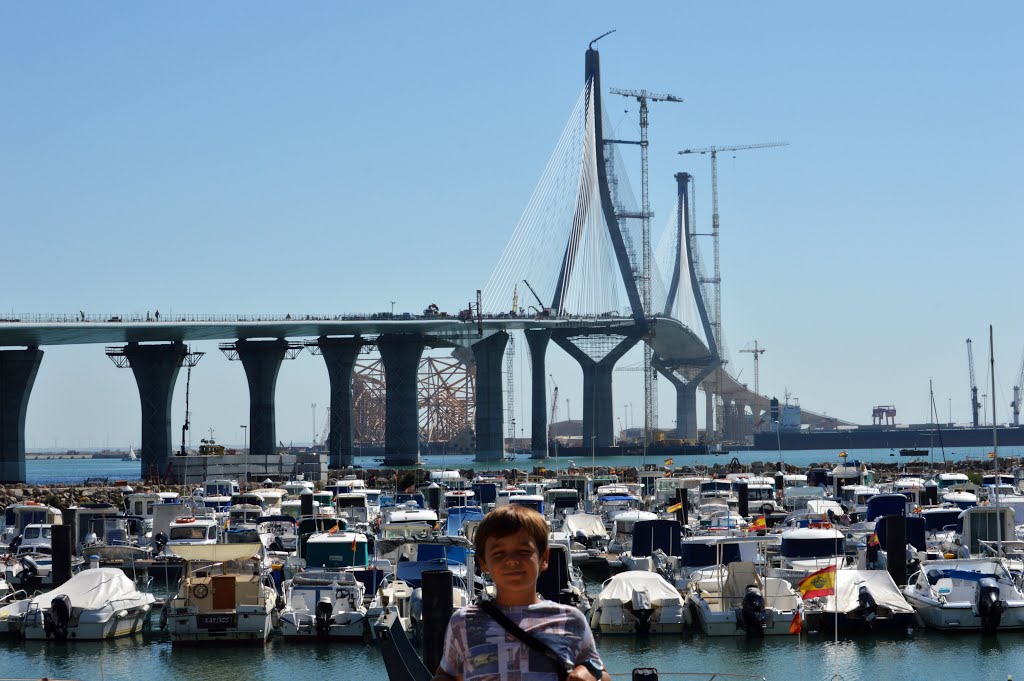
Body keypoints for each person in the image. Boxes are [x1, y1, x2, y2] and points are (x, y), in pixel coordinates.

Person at [434, 505, 607, 681]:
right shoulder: (463, 622)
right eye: (499, 553)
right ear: (483, 562)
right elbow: (446, 674)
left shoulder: (570, 620)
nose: (511, 561)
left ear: (544, 558)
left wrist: (588, 676)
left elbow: (599, 672)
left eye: (523, 552)